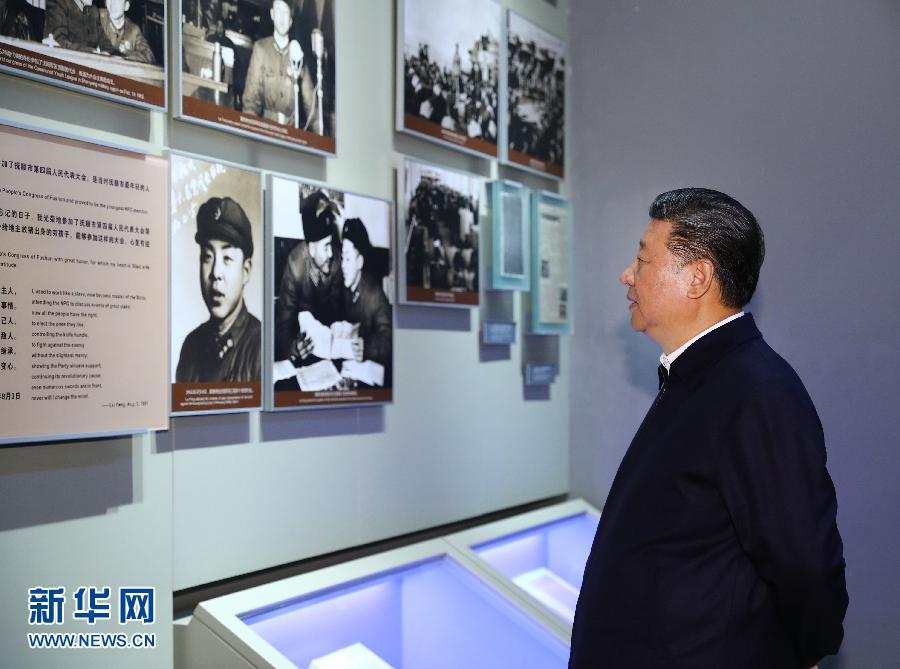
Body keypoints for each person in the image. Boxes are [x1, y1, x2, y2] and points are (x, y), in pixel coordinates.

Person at [570, 188, 847, 669]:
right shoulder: (700, 377)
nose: (627, 274)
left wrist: (804, 652)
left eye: (643, 259)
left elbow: (802, 560)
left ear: (697, 277)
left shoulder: (758, 392)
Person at [176, 197, 261, 383]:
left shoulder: (261, 346)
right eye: (207, 257)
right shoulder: (191, 346)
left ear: (246, 271)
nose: (215, 273)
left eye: (227, 258)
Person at [274, 190, 343, 362]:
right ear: (311, 249)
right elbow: (284, 321)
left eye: (331, 244)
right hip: (302, 345)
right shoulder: (294, 265)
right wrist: (293, 348)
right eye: (326, 246)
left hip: (328, 348)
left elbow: (337, 312)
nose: (331, 254)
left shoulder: (337, 262)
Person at [242, 0, 313, 127]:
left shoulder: (299, 55)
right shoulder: (261, 49)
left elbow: (312, 107)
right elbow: (250, 103)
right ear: (272, 14)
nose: (281, 17)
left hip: (292, 130)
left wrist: (318, 133)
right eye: (278, 10)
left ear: (290, 20)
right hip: (266, 128)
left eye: (286, 12)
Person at [338, 218, 392, 382]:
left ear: (359, 262)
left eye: (348, 259)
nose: (342, 265)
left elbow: (389, 340)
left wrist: (366, 348)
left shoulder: (374, 295)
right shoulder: (344, 286)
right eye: (342, 258)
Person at [43, 0, 114, 52]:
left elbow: (104, 42)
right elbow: (58, 41)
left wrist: (115, 54)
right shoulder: (58, 3)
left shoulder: (93, 9)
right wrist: (93, 52)